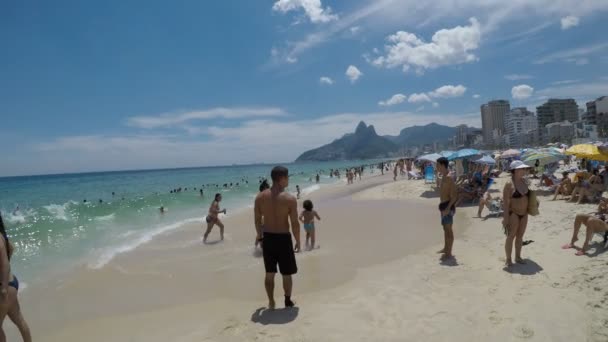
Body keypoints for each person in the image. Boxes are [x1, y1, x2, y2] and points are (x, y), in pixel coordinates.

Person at [254, 166, 300, 309]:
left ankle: (271, 301)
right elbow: (294, 223)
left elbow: (257, 221)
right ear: (282, 179)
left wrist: (260, 238)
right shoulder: (290, 199)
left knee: (269, 274)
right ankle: (287, 301)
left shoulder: (260, 197)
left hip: (268, 238)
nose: (289, 180)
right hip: (284, 239)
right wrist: (298, 240)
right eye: (288, 177)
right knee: (286, 274)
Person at [0, 213, 32, 342]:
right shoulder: (2, 236)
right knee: (19, 319)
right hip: (11, 282)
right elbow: (11, 248)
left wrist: (3, 289)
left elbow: (5, 265)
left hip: (4, 287)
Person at [503, 161, 531, 267]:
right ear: (514, 171)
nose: (523, 171)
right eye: (521, 169)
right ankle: (508, 259)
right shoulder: (509, 184)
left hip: (524, 214)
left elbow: (528, 196)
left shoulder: (524, 181)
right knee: (511, 236)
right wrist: (505, 218)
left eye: (524, 169)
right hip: (513, 213)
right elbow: (505, 203)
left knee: (520, 236)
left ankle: (518, 257)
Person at [436, 157, 457, 261]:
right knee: (445, 229)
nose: (436, 167)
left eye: (437, 165)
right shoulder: (443, 176)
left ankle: (449, 253)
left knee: (449, 230)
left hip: (448, 207)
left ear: (443, 165)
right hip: (443, 206)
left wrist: (448, 209)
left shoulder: (449, 177)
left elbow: (454, 196)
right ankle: (445, 248)